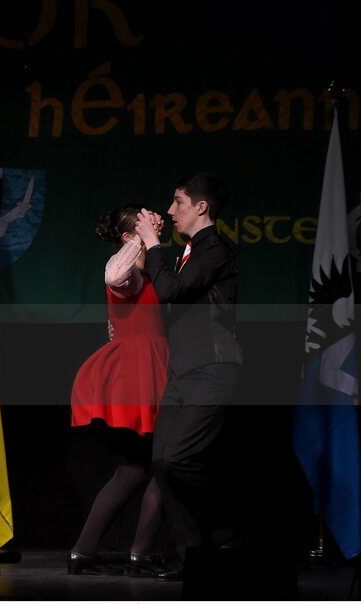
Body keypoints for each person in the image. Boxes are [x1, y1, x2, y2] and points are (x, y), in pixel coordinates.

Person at [134, 173, 242, 580]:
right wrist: (147, 245)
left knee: (180, 456)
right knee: (162, 460)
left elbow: (172, 291)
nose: (171, 210)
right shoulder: (188, 251)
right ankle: (190, 555)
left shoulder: (216, 250)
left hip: (213, 368)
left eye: (178, 202)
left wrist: (153, 244)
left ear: (201, 207)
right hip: (182, 370)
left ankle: (225, 527)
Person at [68, 204, 168, 576]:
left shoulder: (151, 265)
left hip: (153, 369)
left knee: (138, 470)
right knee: (150, 469)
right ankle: (135, 553)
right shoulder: (129, 270)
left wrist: (148, 241)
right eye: (145, 220)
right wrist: (141, 239)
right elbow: (114, 275)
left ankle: (86, 551)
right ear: (129, 236)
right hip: (134, 376)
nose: (157, 221)